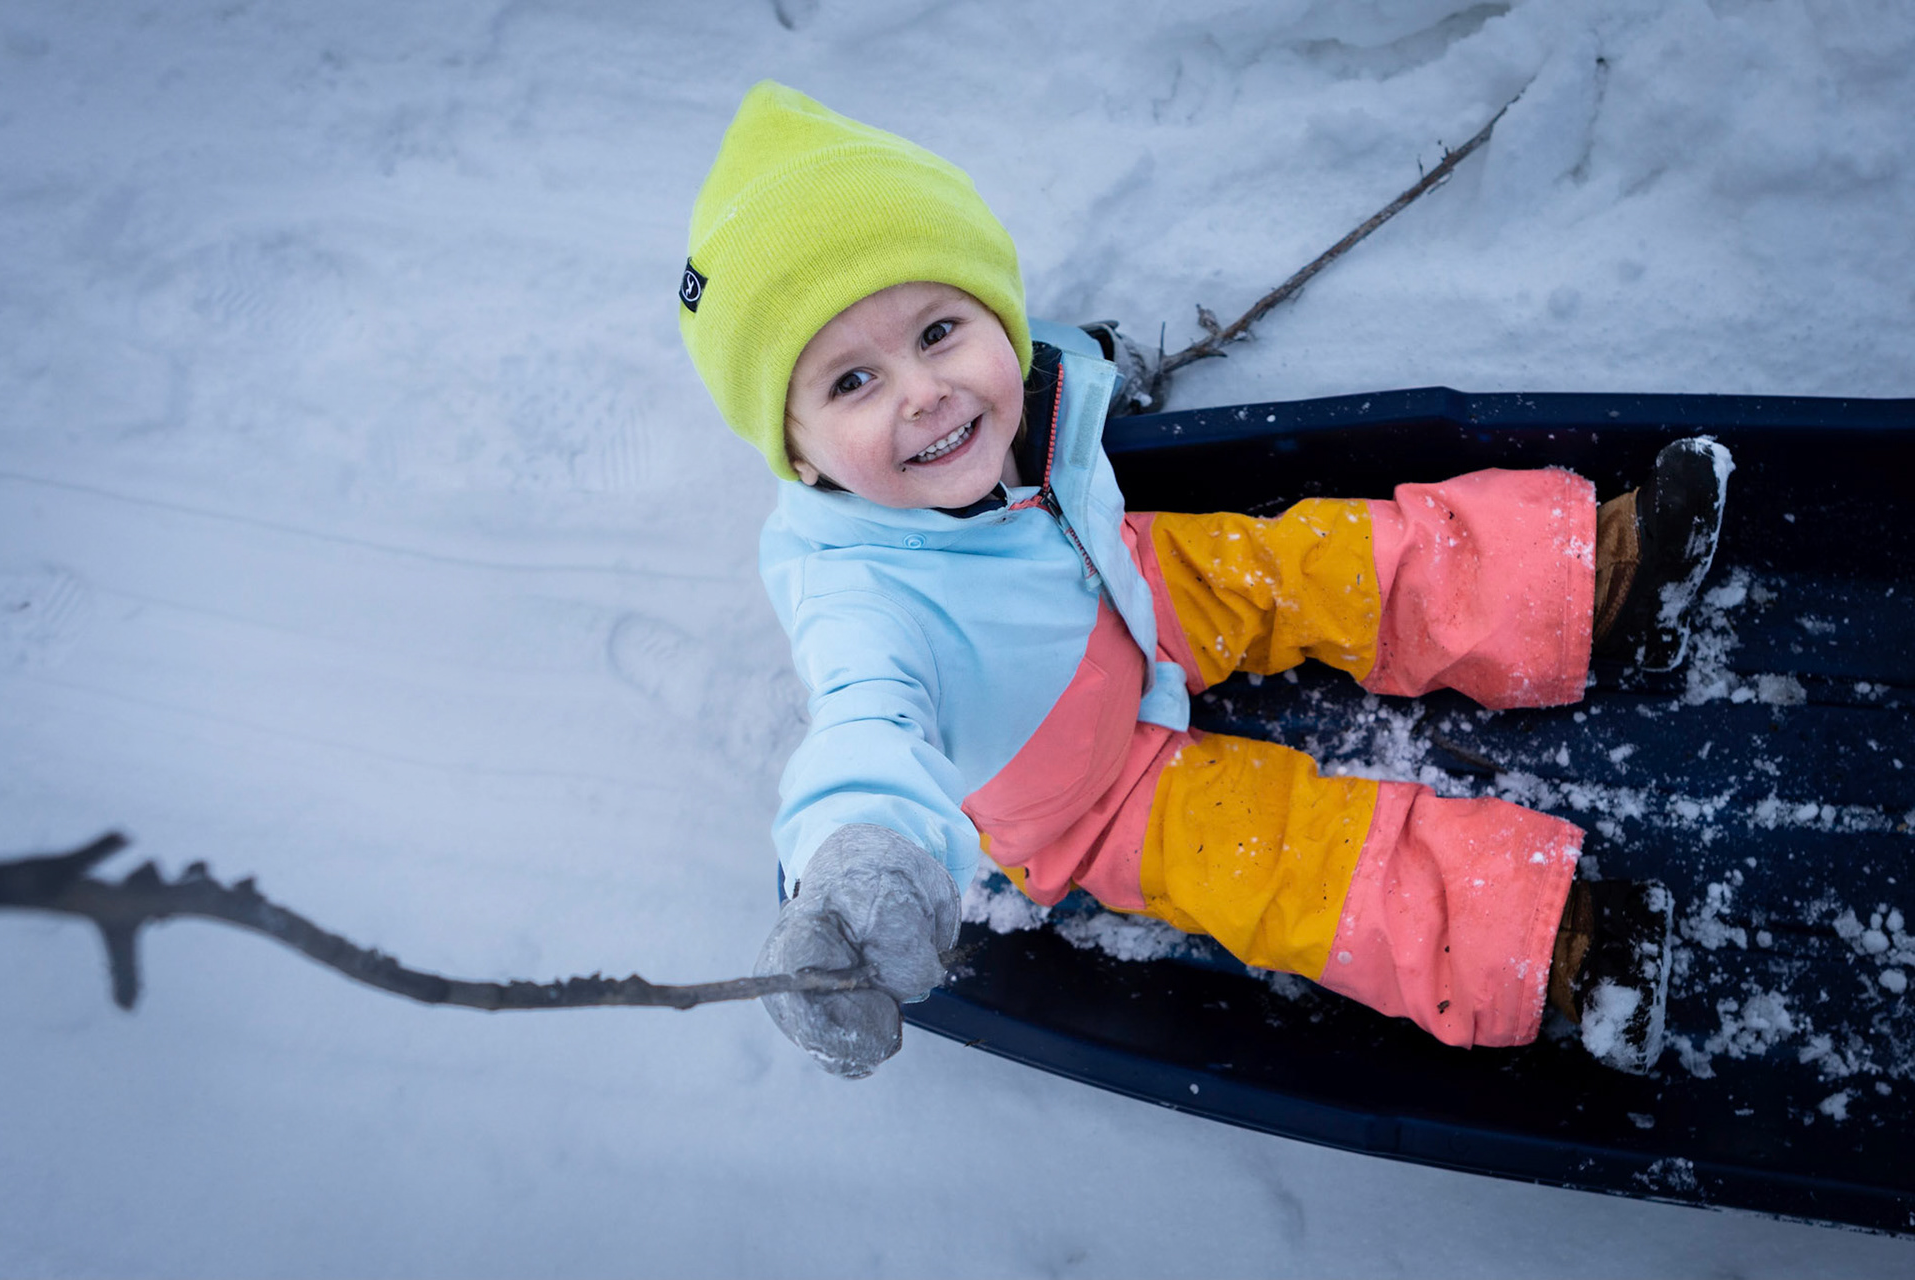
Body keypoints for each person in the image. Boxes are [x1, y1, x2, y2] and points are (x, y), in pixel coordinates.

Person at [677, 82, 1728, 1080]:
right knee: (1283, 857)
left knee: (1317, 561)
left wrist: (1099, 364)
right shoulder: (855, 599)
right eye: (853, 381)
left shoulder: (1012, 393)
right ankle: (1558, 948)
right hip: (1086, 793)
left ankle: (1588, 585)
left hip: (1128, 583)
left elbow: (1046, 360)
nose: (922, 391)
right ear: (798, 452)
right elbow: (864, 728)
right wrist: (862, 862)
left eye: (939, 330)